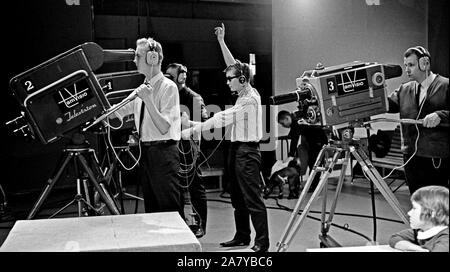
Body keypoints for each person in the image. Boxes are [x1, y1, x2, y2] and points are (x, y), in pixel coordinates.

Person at [182, 23, 269, 252]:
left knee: (252, 199)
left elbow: (221, 118)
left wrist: (192, 128)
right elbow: (232, 65)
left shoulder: (249, 99)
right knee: (238, 199)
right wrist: (221, 42)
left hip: (248, 152)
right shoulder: (243, 90)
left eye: (230, 78)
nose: (227, 81)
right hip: (236, 149)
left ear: (242, 79)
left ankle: (262, 243)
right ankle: (242, 236)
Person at [109, 37, 183, 216]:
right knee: (152, 207)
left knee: (169, 207)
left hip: (164, 153)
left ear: (153, 58)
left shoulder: (168, 87)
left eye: (138, 55)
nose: (134, 60)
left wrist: (148, 99)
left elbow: (164, 126)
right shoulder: (141, 89)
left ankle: (178, 243)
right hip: (147, 153)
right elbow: (117, 111)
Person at [388, 46, 449, 194]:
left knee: (435, 204)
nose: (407, 69)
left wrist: (441, 115)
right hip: (411, 157)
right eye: (405, 65)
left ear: (425, 63)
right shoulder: (404, 89)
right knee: (417, 201)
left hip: (435, 156)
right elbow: (387, 105)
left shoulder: (446, 85)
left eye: (411, 65)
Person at [165, 63, 208, 238]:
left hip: (189, 148)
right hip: (171, 148)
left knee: (195, 185)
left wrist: (186, 124)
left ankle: (200, 224)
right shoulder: (168, 96)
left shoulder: (194, 98)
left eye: (171, 75)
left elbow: (204, 125)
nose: (167, 79)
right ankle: (181, 222)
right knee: (176, 187)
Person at [277, 110, 328, 193]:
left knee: (314, 163)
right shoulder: (297, 117)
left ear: (287, 118)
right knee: (313, 163)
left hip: (318, 141)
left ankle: (314, 187)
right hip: (316, 140)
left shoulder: (296, 123)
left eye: (282, 123)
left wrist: (290, 155)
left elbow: (294, 139)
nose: (283, 126)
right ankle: (313, 185)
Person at [389, 185, 449, 252]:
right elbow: (394, 238)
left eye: (414, 208)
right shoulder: (420, 231)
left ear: (433, 213)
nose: (409, 213)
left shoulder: (446, 239)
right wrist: (419, 249)